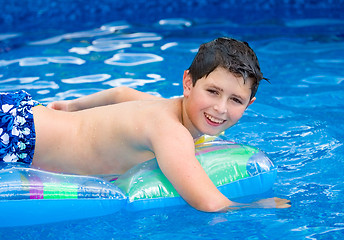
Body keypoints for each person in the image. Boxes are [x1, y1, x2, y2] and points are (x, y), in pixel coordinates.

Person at [0, 37, 290, 211]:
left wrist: (72, 106)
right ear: (188, 83)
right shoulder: (171, 133)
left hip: (23, 113)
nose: (220, 108)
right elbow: (209, 203)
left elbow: (121, 93)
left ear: (248, 105)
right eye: (212, 92)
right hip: (18, 140)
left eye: (235, 100)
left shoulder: (161, 106)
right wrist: (258, 207)